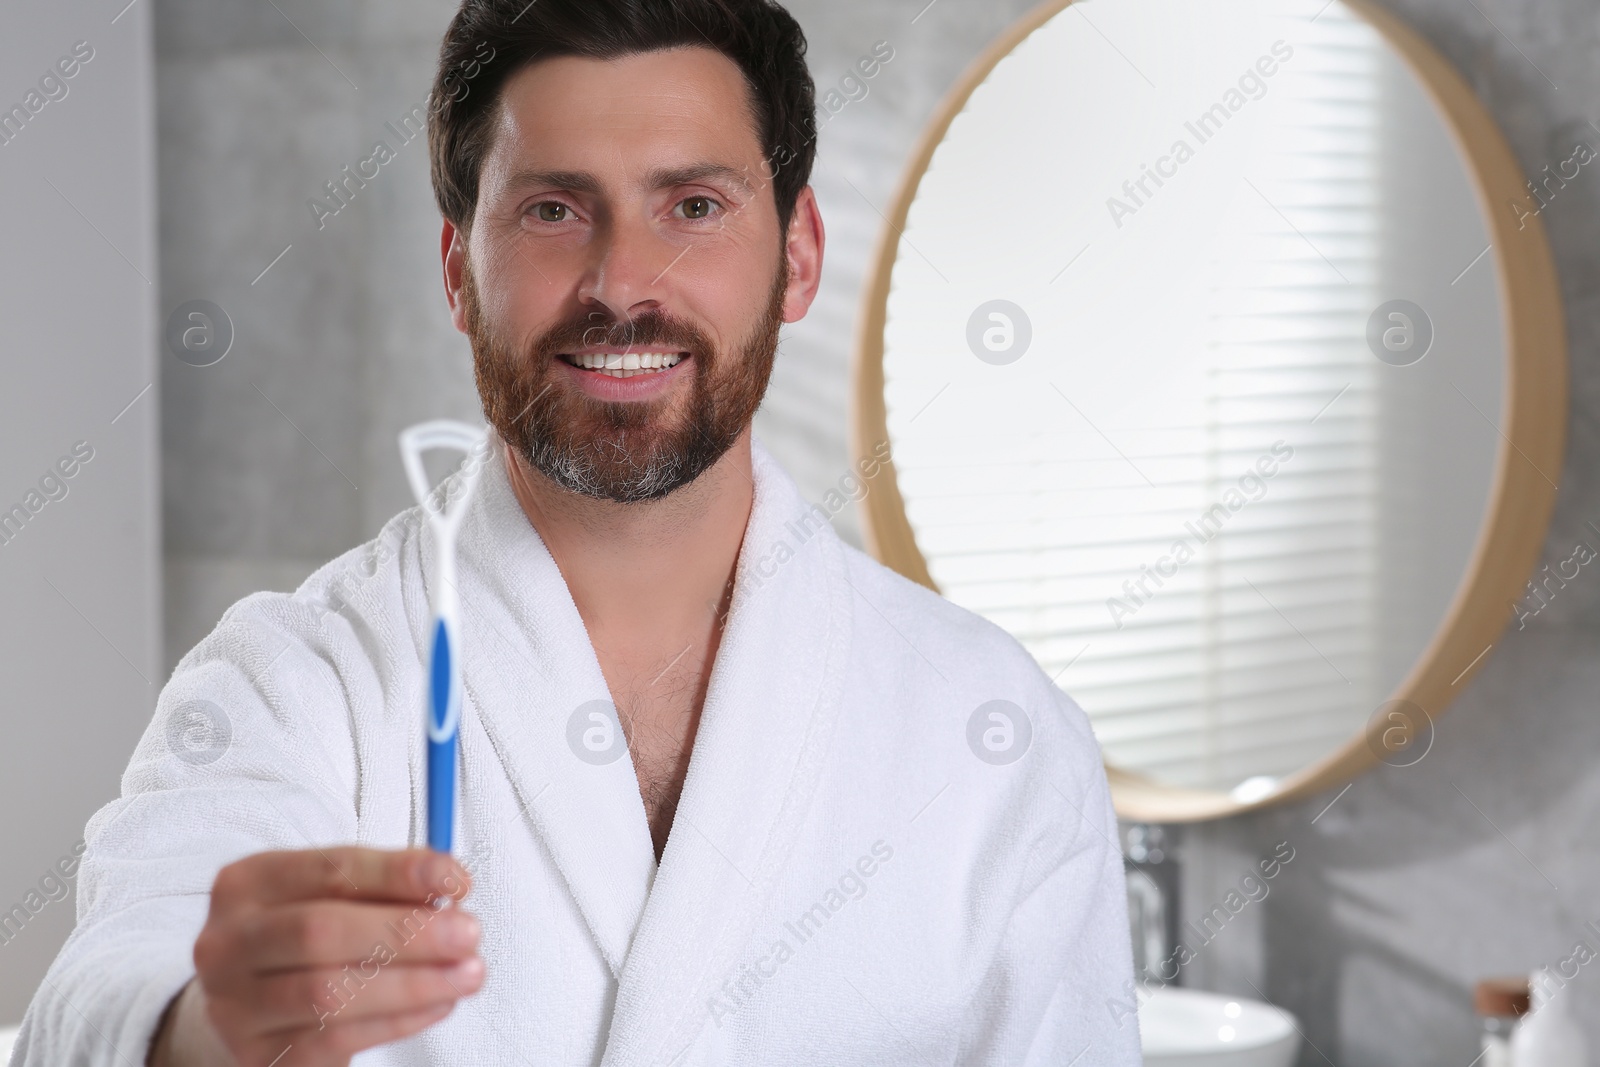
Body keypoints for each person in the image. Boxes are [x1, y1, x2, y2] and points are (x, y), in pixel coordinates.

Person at [12, 0, 1138, 1063]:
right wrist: (207, 1026)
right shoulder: (300, 682)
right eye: (553, 209)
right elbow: (106, 986)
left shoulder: (993, 731)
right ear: (458, 271)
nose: (621, 283)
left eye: (692, 206)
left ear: (797, 255)